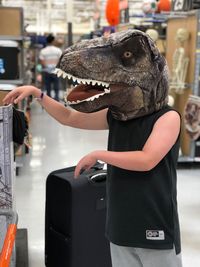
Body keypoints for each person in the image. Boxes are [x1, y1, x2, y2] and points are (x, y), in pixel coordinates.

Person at [3, 30, 182, 267]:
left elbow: (147, 159)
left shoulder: (168, 118)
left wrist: (98, 154)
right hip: (120, 224)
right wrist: (39, 94)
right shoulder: (117, 116)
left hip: (155, 223)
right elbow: (70, 117)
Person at [39, 34, 62, 101]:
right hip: (55, 71)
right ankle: (57, 99)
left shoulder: (43, 51)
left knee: (48, 87)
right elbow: (60, 60)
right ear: (53, 41)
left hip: (46, 71)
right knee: (56, 86)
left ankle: (49, 100)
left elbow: (42, 62)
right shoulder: (58, 50)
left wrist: (48, 67)